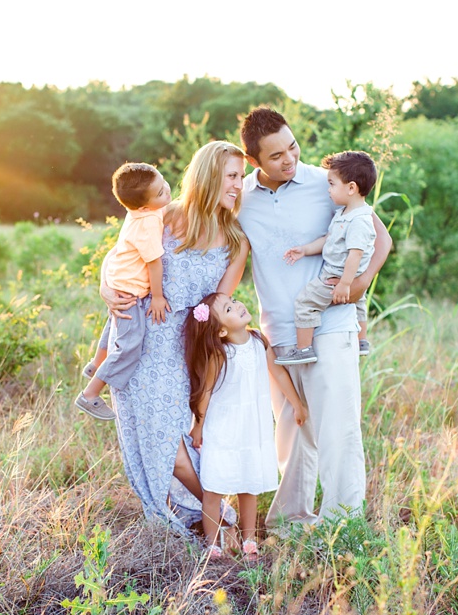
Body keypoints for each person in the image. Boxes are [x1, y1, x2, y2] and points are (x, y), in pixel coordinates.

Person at [237, 107, 392, 525]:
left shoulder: (327, 185)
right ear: (253, 161)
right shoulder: (242, 199)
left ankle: (343, 527)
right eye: (276, 156)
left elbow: (382, 237)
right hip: (280, 333)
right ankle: (291, 524)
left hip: (331, 326)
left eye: (292, 147)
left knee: (338, 432)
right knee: (291, 435)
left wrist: (358, 287)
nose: (289, 160)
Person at [99, 141, 251, 534]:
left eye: (240, 176)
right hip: (137, 339)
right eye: (231, 176)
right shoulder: (163, 215)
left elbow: (218, 305)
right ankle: (219, 519)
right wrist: (104, 287)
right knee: (162, 441)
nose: (238, 184)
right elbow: (121, 257)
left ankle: (214, 516)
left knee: (181, 440)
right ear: (208, 175)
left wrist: (194, 321)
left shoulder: (236, 240)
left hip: (182, 346)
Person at [184, 292, 307, 560]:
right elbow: (205, 393)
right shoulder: (220, 354)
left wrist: (296, 403)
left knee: (248, 484)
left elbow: (278, 373)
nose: (238, 305)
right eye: (229, 308)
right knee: (214, 486)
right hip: (224, 427)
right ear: (222, 329)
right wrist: (198, 426)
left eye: (234, 300)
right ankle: (213, 543)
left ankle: (249, 539)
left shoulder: (258, 342)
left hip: (252, 426)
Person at [74, 163, 172, 421]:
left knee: (113, 325)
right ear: (143, 206)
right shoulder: (149, 221)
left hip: (119, 282)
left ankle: (96, 362)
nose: (168, 191)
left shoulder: (138, 212)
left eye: (164, 183)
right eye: (161, 192)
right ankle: (91, 393)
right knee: (130, 343)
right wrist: (159, 297)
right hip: (129, 293)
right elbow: (154, 262)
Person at [276, 150, 377, 365]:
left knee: (305, 303)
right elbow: (328, 239)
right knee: (359, 303)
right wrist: (305, 249)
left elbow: (355, 254)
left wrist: (345, 284)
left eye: (332, 184)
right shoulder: (344, 214)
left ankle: (303, 348)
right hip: (344, 279)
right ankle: (362, 341)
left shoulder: (359, 220)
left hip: (336, 278)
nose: (328, 190)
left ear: (351, 188)